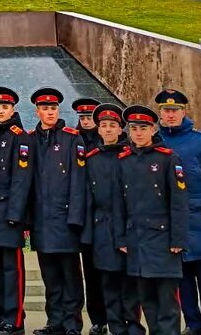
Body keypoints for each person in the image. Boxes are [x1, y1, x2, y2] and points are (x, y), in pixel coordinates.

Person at [155, 90, 201, 335]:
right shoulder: (156, 141)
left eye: (175, 110)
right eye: (166, 111)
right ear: (160, 114)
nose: (170, 115)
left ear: (184, 111)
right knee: (182, 277)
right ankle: (193, 323)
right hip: (173, 220)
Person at [117, 106, 188, 335]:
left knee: (166, 301)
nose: (138, 133)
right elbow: (120, 203)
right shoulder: (124, 160)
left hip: (163, 240)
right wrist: (121, 237)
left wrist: (178, 238)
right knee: (146, 299)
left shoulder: (168, 158)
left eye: (143, 128)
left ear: (153, 129)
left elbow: (178, 202)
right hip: (136, 239)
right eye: (134, 129)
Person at [27, 89, 86, 335]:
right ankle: (55, 321)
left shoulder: (73, 138)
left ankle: (72, 323)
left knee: (70, 276)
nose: (50, 112)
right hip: (41, 220)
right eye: (45, 109)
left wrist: (75, 218)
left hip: (65, 221)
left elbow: (79, 181)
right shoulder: (29, 139)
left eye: (53, 108)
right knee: (50, 276)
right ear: (37, 111)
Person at [81, 104, 140, 335]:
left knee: (129, 282)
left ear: (120, 129)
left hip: (127, 225)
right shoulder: (91, 157)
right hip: (101, 227)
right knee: (108, 281)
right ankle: (115, 326)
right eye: (103, 125)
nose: (107, 129)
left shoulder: (130, 155)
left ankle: (132, 325)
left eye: (112, 125)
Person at [0, 87, 32, 335]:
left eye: (5, 107)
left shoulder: (19, 136)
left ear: (12, 109)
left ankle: (15, 320)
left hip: (9, 214)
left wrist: (16, 214)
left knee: (12, 269)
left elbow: (21, 179)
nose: (0, 111)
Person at [70, 98, 105, 335]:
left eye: (89, 117)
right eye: (82, 117)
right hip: (85, 219)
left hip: (107, 219)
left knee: (111, 274)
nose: (85, 121)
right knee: (91, 274)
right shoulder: (73, 141)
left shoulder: (111, 142)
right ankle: (97, 319)